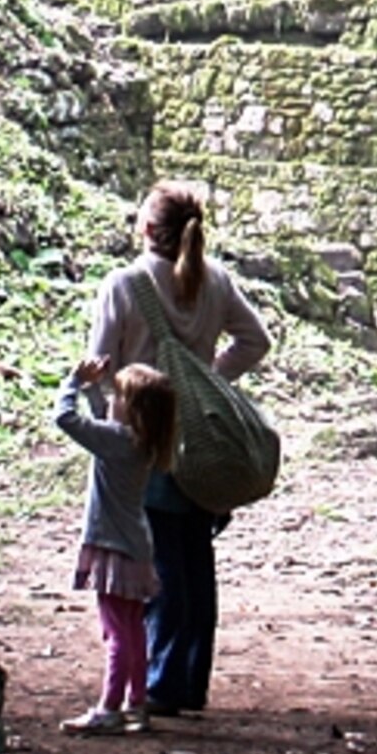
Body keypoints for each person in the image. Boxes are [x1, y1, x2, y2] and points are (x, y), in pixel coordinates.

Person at [88, 181, 271, 715]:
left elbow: (100, 364)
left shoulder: (124, 284)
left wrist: (123, 407)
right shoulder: (214, 280)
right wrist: (208, 380)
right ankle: (187, 680)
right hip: (200, 437)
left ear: (147, 228)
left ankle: (160, 684)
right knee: (193, 558)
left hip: (142, 440)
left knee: (154, 563)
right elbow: (255, 340)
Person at [53, 355, 177, 735]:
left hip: (112, 548)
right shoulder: (139, 442)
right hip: (137, 548)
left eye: (118, 395)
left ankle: (108, 708)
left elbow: (66, 420)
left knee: (115, 633)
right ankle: (135, 704)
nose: (112, 399)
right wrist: (95, 389)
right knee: (135, 630)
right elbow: (103, 423)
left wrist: (72, 383)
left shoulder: (117, 442)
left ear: (132, 409)